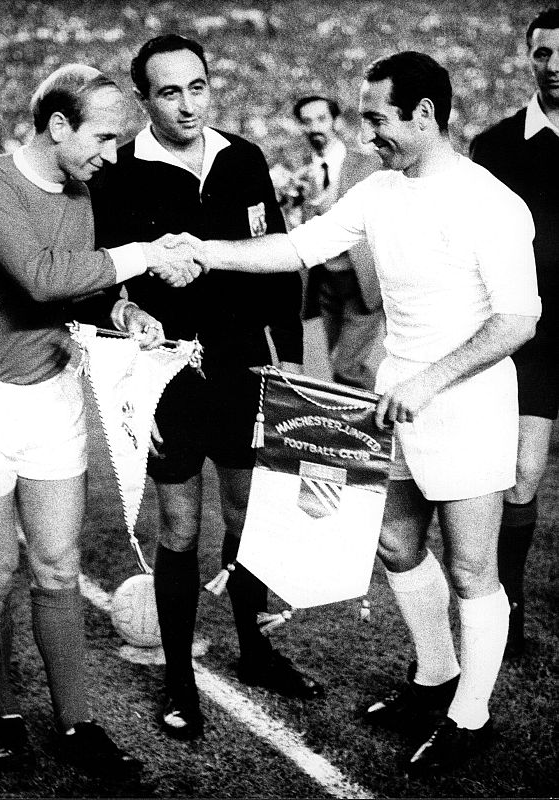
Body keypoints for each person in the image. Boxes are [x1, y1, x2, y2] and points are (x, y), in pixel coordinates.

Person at [178, 51, 541, 773]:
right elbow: (299, 247)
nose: (367, 132)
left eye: (378, 118)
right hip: (393, 397)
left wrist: (431, 378)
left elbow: (518, 319)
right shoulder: (378, 191)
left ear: (425, 116)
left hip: (465, 403)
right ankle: (434, 677)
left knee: (473, 570)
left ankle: (471, 718)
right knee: (396, 546)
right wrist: (205, 251)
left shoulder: (489, 200)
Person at [0, 64, 201, 781]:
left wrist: (122, 310)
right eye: (102, 139)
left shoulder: (81, 194)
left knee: (57, 569)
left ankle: (76, 723)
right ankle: (2, 713)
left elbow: (73, 289)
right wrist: (147, 256)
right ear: (56, 126)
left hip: (51, 395)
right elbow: (41, 276)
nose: (109, 156)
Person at [89, 34, 324, 741]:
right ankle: (179, 682)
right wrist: (130, 323)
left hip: (247, 367)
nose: (187, 104)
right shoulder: (119, 173)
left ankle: (255, 650)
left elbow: (279, 262)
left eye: (196, 87)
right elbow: (100, 278)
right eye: (168, 92)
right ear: (143, 99)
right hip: (169, 378)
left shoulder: (243, 158)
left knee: (249, 516)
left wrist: (285, 360)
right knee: (182, 528)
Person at [470, 7, 559, 659]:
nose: (552, 66)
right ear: (527, 58)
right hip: (531, 334)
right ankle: (511, 613)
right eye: (542, 53)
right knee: (520, 476)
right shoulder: (497, 146)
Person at [287, 95, 385, 389]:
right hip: (325, 283)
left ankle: (382, 420)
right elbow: (297, 231)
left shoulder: (367, 165)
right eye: (307, 121)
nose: (315, 127)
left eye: (321, 119)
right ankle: (354, 428)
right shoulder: (299, 173)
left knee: (347, 366)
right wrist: (292, 205)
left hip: (362, 281)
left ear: (336, 122)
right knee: (333, 365)